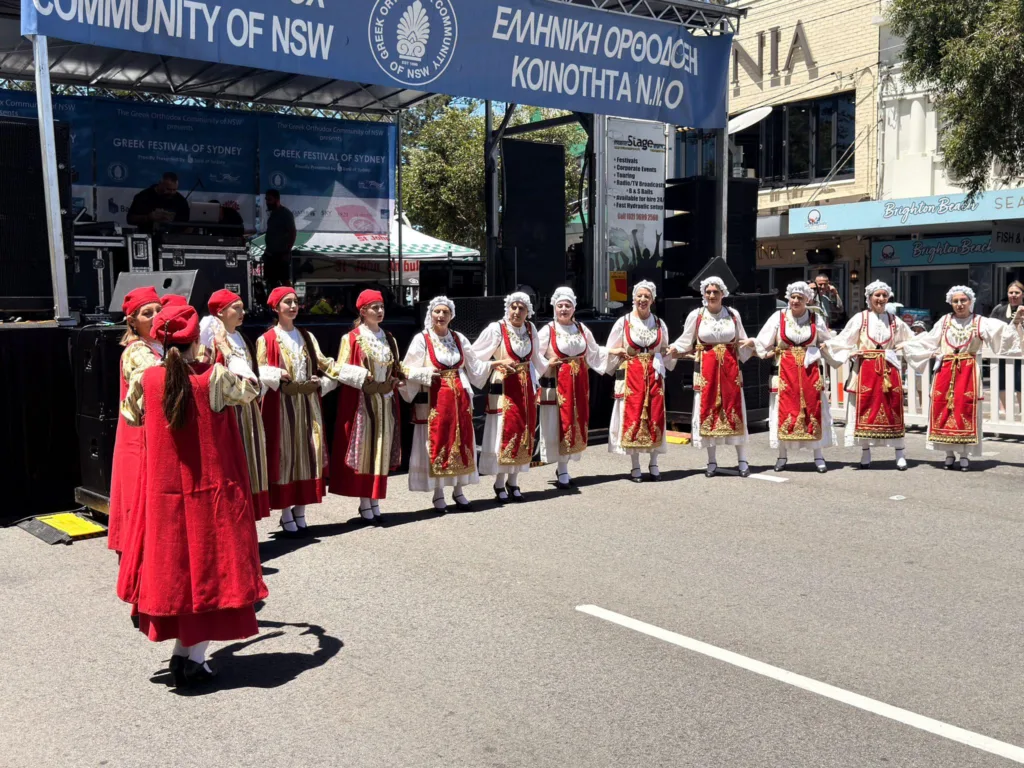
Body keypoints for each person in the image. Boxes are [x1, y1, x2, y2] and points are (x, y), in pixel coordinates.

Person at [116, 303, 267, 688]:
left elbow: (131, 415)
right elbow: (252, 388)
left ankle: (184, 655)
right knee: (210, 574)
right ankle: (193, 659)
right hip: (208, 493)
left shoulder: (147, 379)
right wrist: (229, 351)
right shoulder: (213, 376)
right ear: (196, 340)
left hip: (165, 495)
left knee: (178, 575)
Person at [903, 286, 1024, 470]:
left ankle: (965, 454)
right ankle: (949, 453)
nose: (959, 304)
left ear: (970, 302)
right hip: (945, 370)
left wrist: (1015, 322)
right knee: (944, 409)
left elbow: (1003, 336)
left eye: (963, 301)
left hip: (968, 371)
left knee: (964, 409)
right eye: (955, 301)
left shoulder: (980, 322)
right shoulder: (944, 321)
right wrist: (908, 345)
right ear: (951, 303)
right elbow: (928, 340)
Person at [257, 286, 340, 535]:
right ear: (276, 307)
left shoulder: (307, 336)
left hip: (307, 402)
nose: (293, 307)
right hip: (283, 403)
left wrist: (338, 376)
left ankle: (301, 511)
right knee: (286, 456)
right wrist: (276, 373)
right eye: (287, 303)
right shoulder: (267, 338)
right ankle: (285, 513)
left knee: (309, 452)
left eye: (295, 302)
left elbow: (325, 362)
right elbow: (258, 370)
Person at [400, 296, 491, 511]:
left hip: (459, 398)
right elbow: (406, 368)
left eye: (445, 313)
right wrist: (425, 372)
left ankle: (459, 490)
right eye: (437, 312)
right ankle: (438, 493)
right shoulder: (422, 339)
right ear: (430, 314)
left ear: (451, 316)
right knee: (438, 441)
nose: (440, 316)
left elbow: (475, 366)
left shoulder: (458, 338)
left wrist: (495, 364)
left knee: (461, 441)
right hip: (435, 398)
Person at [329, 290, 404, 522]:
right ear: (363, 311)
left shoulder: (388, 337)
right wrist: (365, 377)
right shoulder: (352, 338)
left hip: (386, 400)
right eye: (374, 307)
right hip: (364, 400)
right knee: (366, 450)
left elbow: (396, 366)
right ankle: (364, 501)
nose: (380, 311)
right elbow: (341, 368)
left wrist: (395, 379)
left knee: (381, 447)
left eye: (381, 307)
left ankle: (375, 500)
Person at [824, 280, 914, 470]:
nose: (881, 299)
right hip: (865, 370)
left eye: (884, 296)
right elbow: (844, 339)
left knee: (892, 409)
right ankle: (865, 452)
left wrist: (904, 345)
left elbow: (911, 339)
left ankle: (899, 452)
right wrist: (842, 349)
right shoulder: (861, 318)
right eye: (877, 295)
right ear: (869, 298)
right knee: (863, 409)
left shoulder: (894, 320)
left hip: (888, 371)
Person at [671, 277, 756, 478]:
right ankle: (711, 462)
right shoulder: (697, 315)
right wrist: (673, 348)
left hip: (729, 370)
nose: (711, 295)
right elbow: (686, 340)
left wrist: (755, 346)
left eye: (715, 292)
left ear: (722, 294)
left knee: (735, 410)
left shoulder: (732, 315)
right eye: (708, 292)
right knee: (706, 409)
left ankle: (742, 461)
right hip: (707, 370)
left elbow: (742, 339)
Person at [199, 289, 271, 521]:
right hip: (229, 411)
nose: (242, 312)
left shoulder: (241, 338)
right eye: (236, 307)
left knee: (251, 463)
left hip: (248, 409)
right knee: (232, 466)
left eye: (242, 307)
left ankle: (248, 524)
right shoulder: (211, 343)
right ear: (220, 312)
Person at [471, 292, 547, 503]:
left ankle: (513, 481)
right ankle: (499, 481)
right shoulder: (497, 329)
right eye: (513, 307)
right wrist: (495, 363)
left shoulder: (530, 329)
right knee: (505, 431)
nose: (516, 312)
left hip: (525, 387)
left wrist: (545, 373)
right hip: (505, 386)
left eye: (521, 308)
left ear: (528, 311)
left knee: (524, 430)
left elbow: (535, 357)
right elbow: (474, 354)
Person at [754, 282, 835, 474]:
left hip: (809, 373)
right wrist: (761, 350)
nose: (795, 301)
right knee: (782, 411)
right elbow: (762, 340)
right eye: (793, 297)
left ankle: (818, 456)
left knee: (813, 410)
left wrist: (824, 347)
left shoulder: (816, 318)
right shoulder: (778, 317)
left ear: (808, 300)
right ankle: (782, 456)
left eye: (800, 298)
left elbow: (829, 341)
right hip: (784, 372)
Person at [107, 286, 164, 555]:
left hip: (158, 429)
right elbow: (152, 380)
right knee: (140, 489)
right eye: (147, 313)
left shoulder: (163, 346)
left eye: (158, 311)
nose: (155, 316)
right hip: (140, 433)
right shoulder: (136, 350)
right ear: (132, 321)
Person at [536, 287, 608, 489]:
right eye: (560, 306)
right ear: (554, 308)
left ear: (574, 308)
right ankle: (562, 468)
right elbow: (534, 355)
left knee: (575, 422)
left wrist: (615, 352)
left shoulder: (582, 329)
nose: (564, 309)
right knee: (561, 423)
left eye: (568, 306)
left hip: (579, 384)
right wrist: (547, 362)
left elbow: (595, 353)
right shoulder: (548, 330)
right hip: (559, 384)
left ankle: (564, 466)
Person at [605, 281, 677, 482]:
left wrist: (670, 352)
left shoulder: (660, 323)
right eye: (639, 296)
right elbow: (611, 349)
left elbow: (664, 349)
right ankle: (635, 466)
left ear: (652, 300)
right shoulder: (623, 322)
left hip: (654, 375)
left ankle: (654, 464)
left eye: (647, 296)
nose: (643, 300)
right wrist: (616, 353)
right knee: (633, 415)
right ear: (633, 298)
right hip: (632, 376)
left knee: (655, 415)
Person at [990, 280, 1024, 411]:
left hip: (1021, 352)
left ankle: (1022, 410)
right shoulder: (999, 309)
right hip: (1002, 352)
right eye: (1011, 292)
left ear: (1022, 294)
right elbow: (991, 327)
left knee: (1020, 380)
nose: (1014, 295)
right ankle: (1003, 409)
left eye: (1017, 292)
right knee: (1002, 379)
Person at [263, 190, 296, 290]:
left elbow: (293, 233)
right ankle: (272, 303)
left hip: (282, 254)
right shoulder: (272, 214)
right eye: (266, 199)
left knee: (285, 280)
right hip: (270, 253)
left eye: (270, 199)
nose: (267, 202)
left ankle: (292, 299)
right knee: (270, 281)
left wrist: (287, 251)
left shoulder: (285, 214)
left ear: (277, 199)